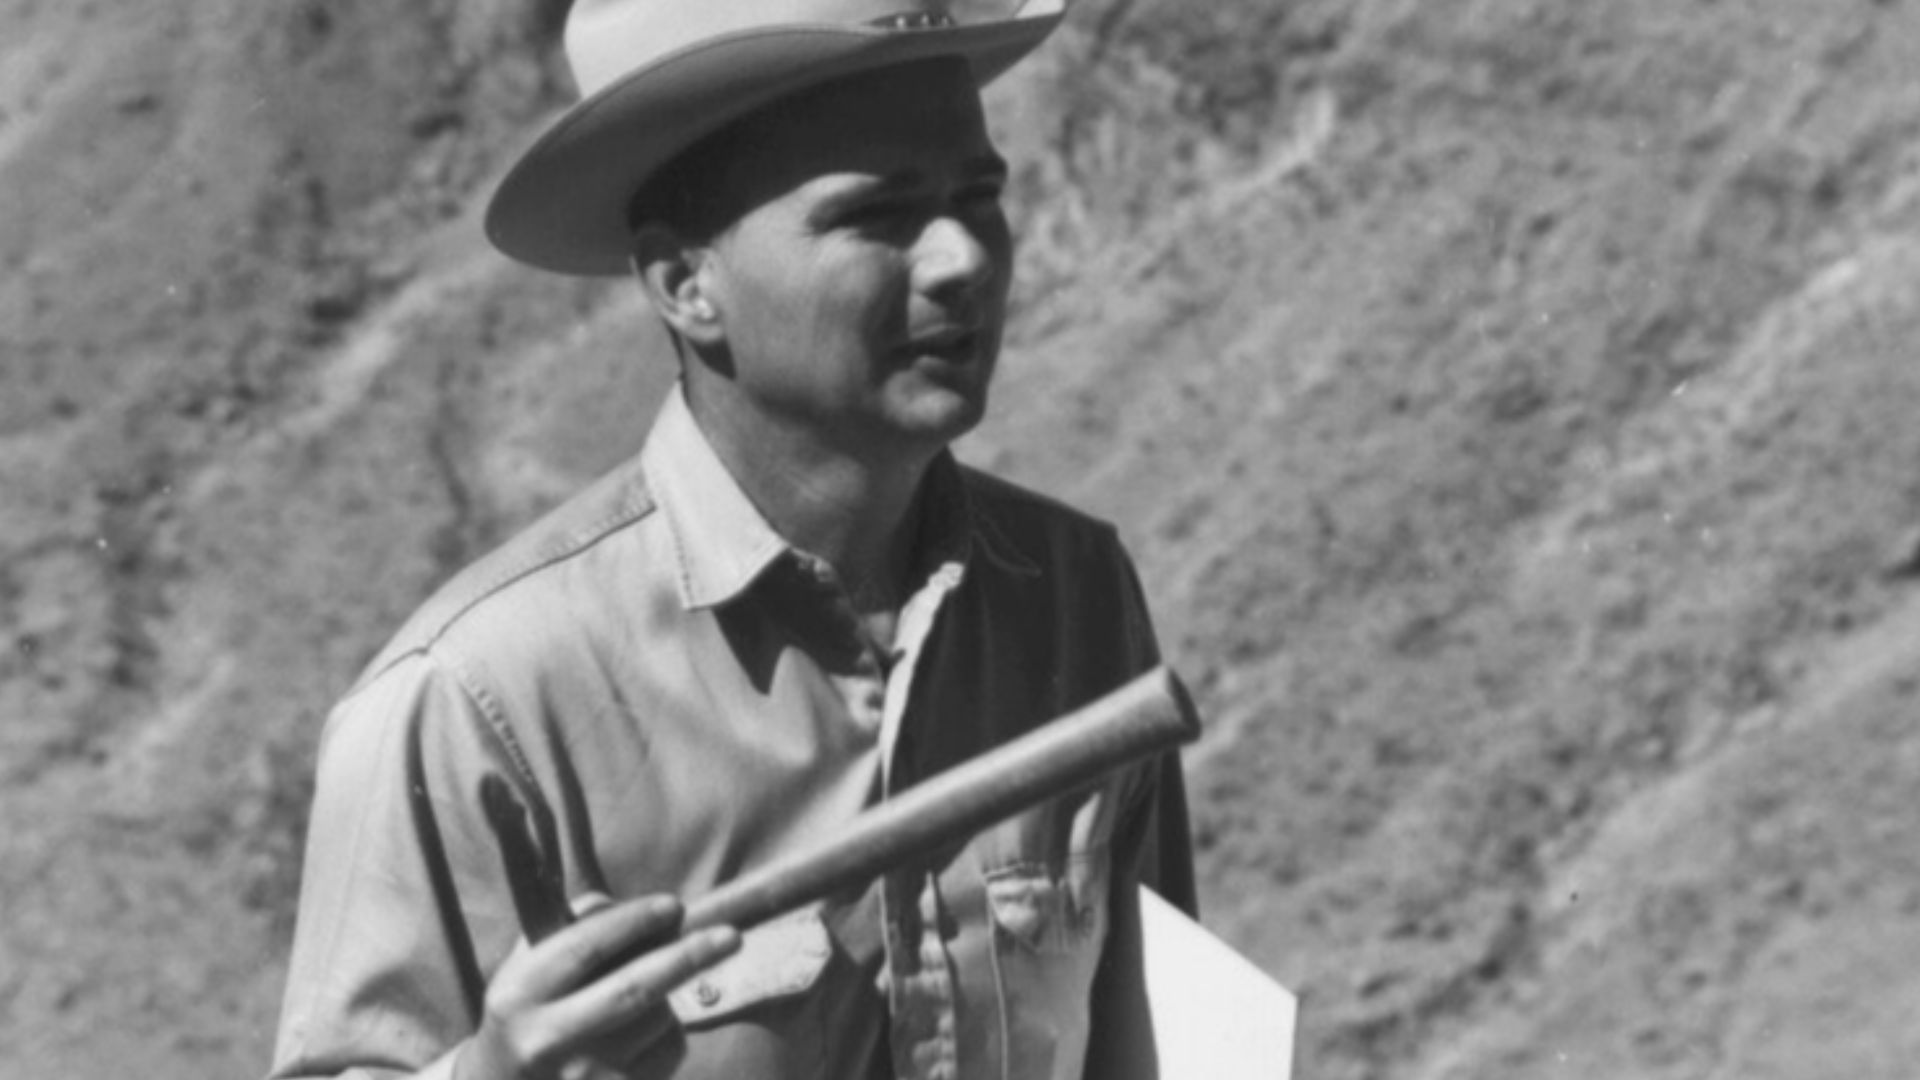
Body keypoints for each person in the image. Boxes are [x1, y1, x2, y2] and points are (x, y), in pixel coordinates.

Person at [267, 2, 1196, 1078]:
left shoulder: (1075, 593)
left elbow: (1166, 1047)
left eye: (978, 196)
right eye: (879, 215)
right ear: (686, 286)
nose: (961, 258)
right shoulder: (479, 701)